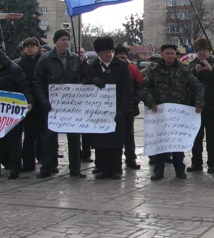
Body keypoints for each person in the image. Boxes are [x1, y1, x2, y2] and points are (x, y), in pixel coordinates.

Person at [140, 44, 204, 181]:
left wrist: (199, 103)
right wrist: (151, 103)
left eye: (172, 53)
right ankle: (158, 170)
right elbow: (144, 87)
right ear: (162, 54)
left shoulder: (183, 69)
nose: (170, 56)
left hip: (178, 112)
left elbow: (196, 86)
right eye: (167, 53)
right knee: (160, 142)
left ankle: (179, 169)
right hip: (159, 112)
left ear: (176, 55)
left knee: (177, 143)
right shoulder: (153, 69)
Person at [33, 29, 85, 179]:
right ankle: (47, 167)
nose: (66, 42)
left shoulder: (75, 59)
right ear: (56, 41)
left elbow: (83, 78)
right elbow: (37, 82)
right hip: (52, 106)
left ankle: (75, 169)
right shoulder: (45, 59)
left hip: (72, 107)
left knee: (74, 139)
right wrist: (43, 100)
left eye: (67, 39)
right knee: (49, 138)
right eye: (62, 39)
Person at [0, 49, 33, 179]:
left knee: (14, 141)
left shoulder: (15, 70)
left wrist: (30, 102)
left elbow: (25, 88)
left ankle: (15, 168)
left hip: (12, 111)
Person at [84, 37, 132, 180]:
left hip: (117, 110)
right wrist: (92, 81)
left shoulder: (122, 66)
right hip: (99, 112)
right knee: (101, 142)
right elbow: (84, 86)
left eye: (110, 51)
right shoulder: (93, 66)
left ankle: (116, 169)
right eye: (105, 52)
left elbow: (127, 89)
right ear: (98, 53)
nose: (108, 54)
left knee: (116, 142)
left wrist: (122, 110)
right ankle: (104, 168)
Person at [187, 38, 214, 174]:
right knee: (196, 138)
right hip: (195, 108)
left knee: (212, 137)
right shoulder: (191, 65)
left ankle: (212, 163)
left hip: (213, 107)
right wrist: (195, 72)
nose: (202, 53)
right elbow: (186, 82)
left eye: (204, 50)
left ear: (209, 51)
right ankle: (196, 162)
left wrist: (212, 70)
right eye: (199, 51)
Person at [16, 37, 43, 172]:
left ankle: (47, 162)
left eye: (33, 46)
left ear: (38, 48)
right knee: (29, 136)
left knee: (45, 135)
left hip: (43, 103)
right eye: (27, 46)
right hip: (27, 105)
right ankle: (28, 164)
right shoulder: (20, 65)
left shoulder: (43, 62)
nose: (30, 48)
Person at [114, 43, 142, 170]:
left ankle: (131, 158)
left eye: (125, 54)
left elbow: (140, 86)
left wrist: (135, 99)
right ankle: (115, 160)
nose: (123, 56)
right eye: (120, 53)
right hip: (114, 107)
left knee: (129, 135)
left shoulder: (132, 68)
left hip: (129, 107)